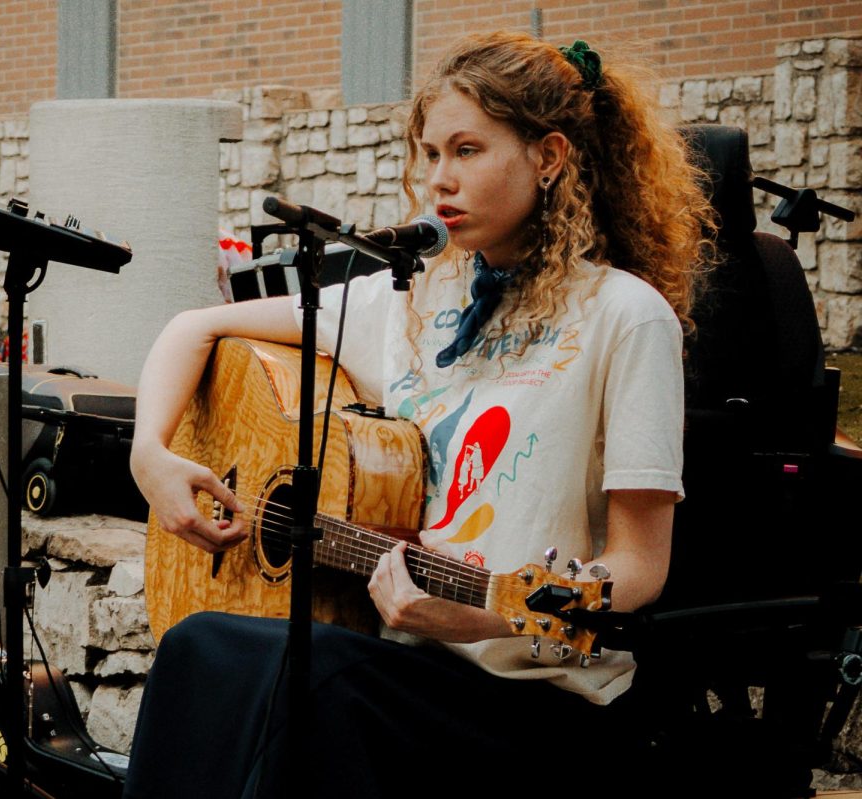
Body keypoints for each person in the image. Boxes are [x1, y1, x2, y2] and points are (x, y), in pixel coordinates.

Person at [125, 32, 714, 797]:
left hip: (538, 700)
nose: (439, 181)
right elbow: (195, 327)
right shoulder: (412, 299)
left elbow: (640, 565)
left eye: (467, 150)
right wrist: (151, 456)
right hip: (413, 664)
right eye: (430, 154)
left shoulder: (626, 318)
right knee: (199, 646)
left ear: (549, 157)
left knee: (310, 684)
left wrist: (490, 617)